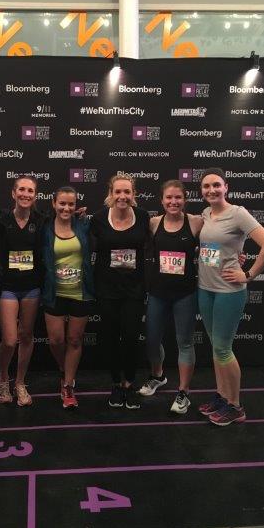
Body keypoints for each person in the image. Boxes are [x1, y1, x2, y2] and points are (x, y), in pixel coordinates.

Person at [197, 167, 264, 426]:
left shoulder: (238, 213)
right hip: (205, 289)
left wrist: (248, 274)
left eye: (216, 185)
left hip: (228, 292)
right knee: (216, 347)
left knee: (223, 349)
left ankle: (235, 406)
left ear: (226, 187)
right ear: (201, 190)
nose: (211, 190)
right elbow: (213, 248)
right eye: (206, 186)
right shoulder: (206, 214)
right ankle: (222, 397)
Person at [139, 180, 202, 414]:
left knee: (185, 342)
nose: (173, 202)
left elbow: (218, 241)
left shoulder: (196, 222)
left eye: (178, 197)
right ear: (162, 200)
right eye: (169, 197)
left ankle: (183, 392)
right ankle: (158, 376)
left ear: (185, 200)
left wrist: (237, 256)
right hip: (158, 293)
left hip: (185, 293)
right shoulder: (154, 223)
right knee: (152, 340)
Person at [91, 174, 149, 409]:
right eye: (118, 192)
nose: (122, 196)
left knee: (132, 337)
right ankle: (116, 383)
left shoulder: (143, 217)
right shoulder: (98, 218)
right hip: (107, 289)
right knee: (111, 338)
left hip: (134, 289)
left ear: (133, 194)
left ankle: (129, 384)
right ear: (111, 193)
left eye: (127, 192)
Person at [0, 176, 45, 406]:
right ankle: (3, 378)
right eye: (21, 189)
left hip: (31, 288)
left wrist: (80, 218)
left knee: (26, 336)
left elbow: (64, 223)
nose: (25, 194)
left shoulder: (41, 220)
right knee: (10, 340)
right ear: (13, 193)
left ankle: (20, 382)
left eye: (30, 191)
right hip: (7, 288)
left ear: (35, 196)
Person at [42, 186, 95, 408]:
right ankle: (64, 370)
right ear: (54, 203)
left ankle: (68, 384)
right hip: (53, 292)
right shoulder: (44, 226)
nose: (66, 208)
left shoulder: (83, 224)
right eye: (62, 203)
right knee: (56, 340)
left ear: (76, 206)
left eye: (71, 204)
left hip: (80, 292)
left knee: (74, 340)